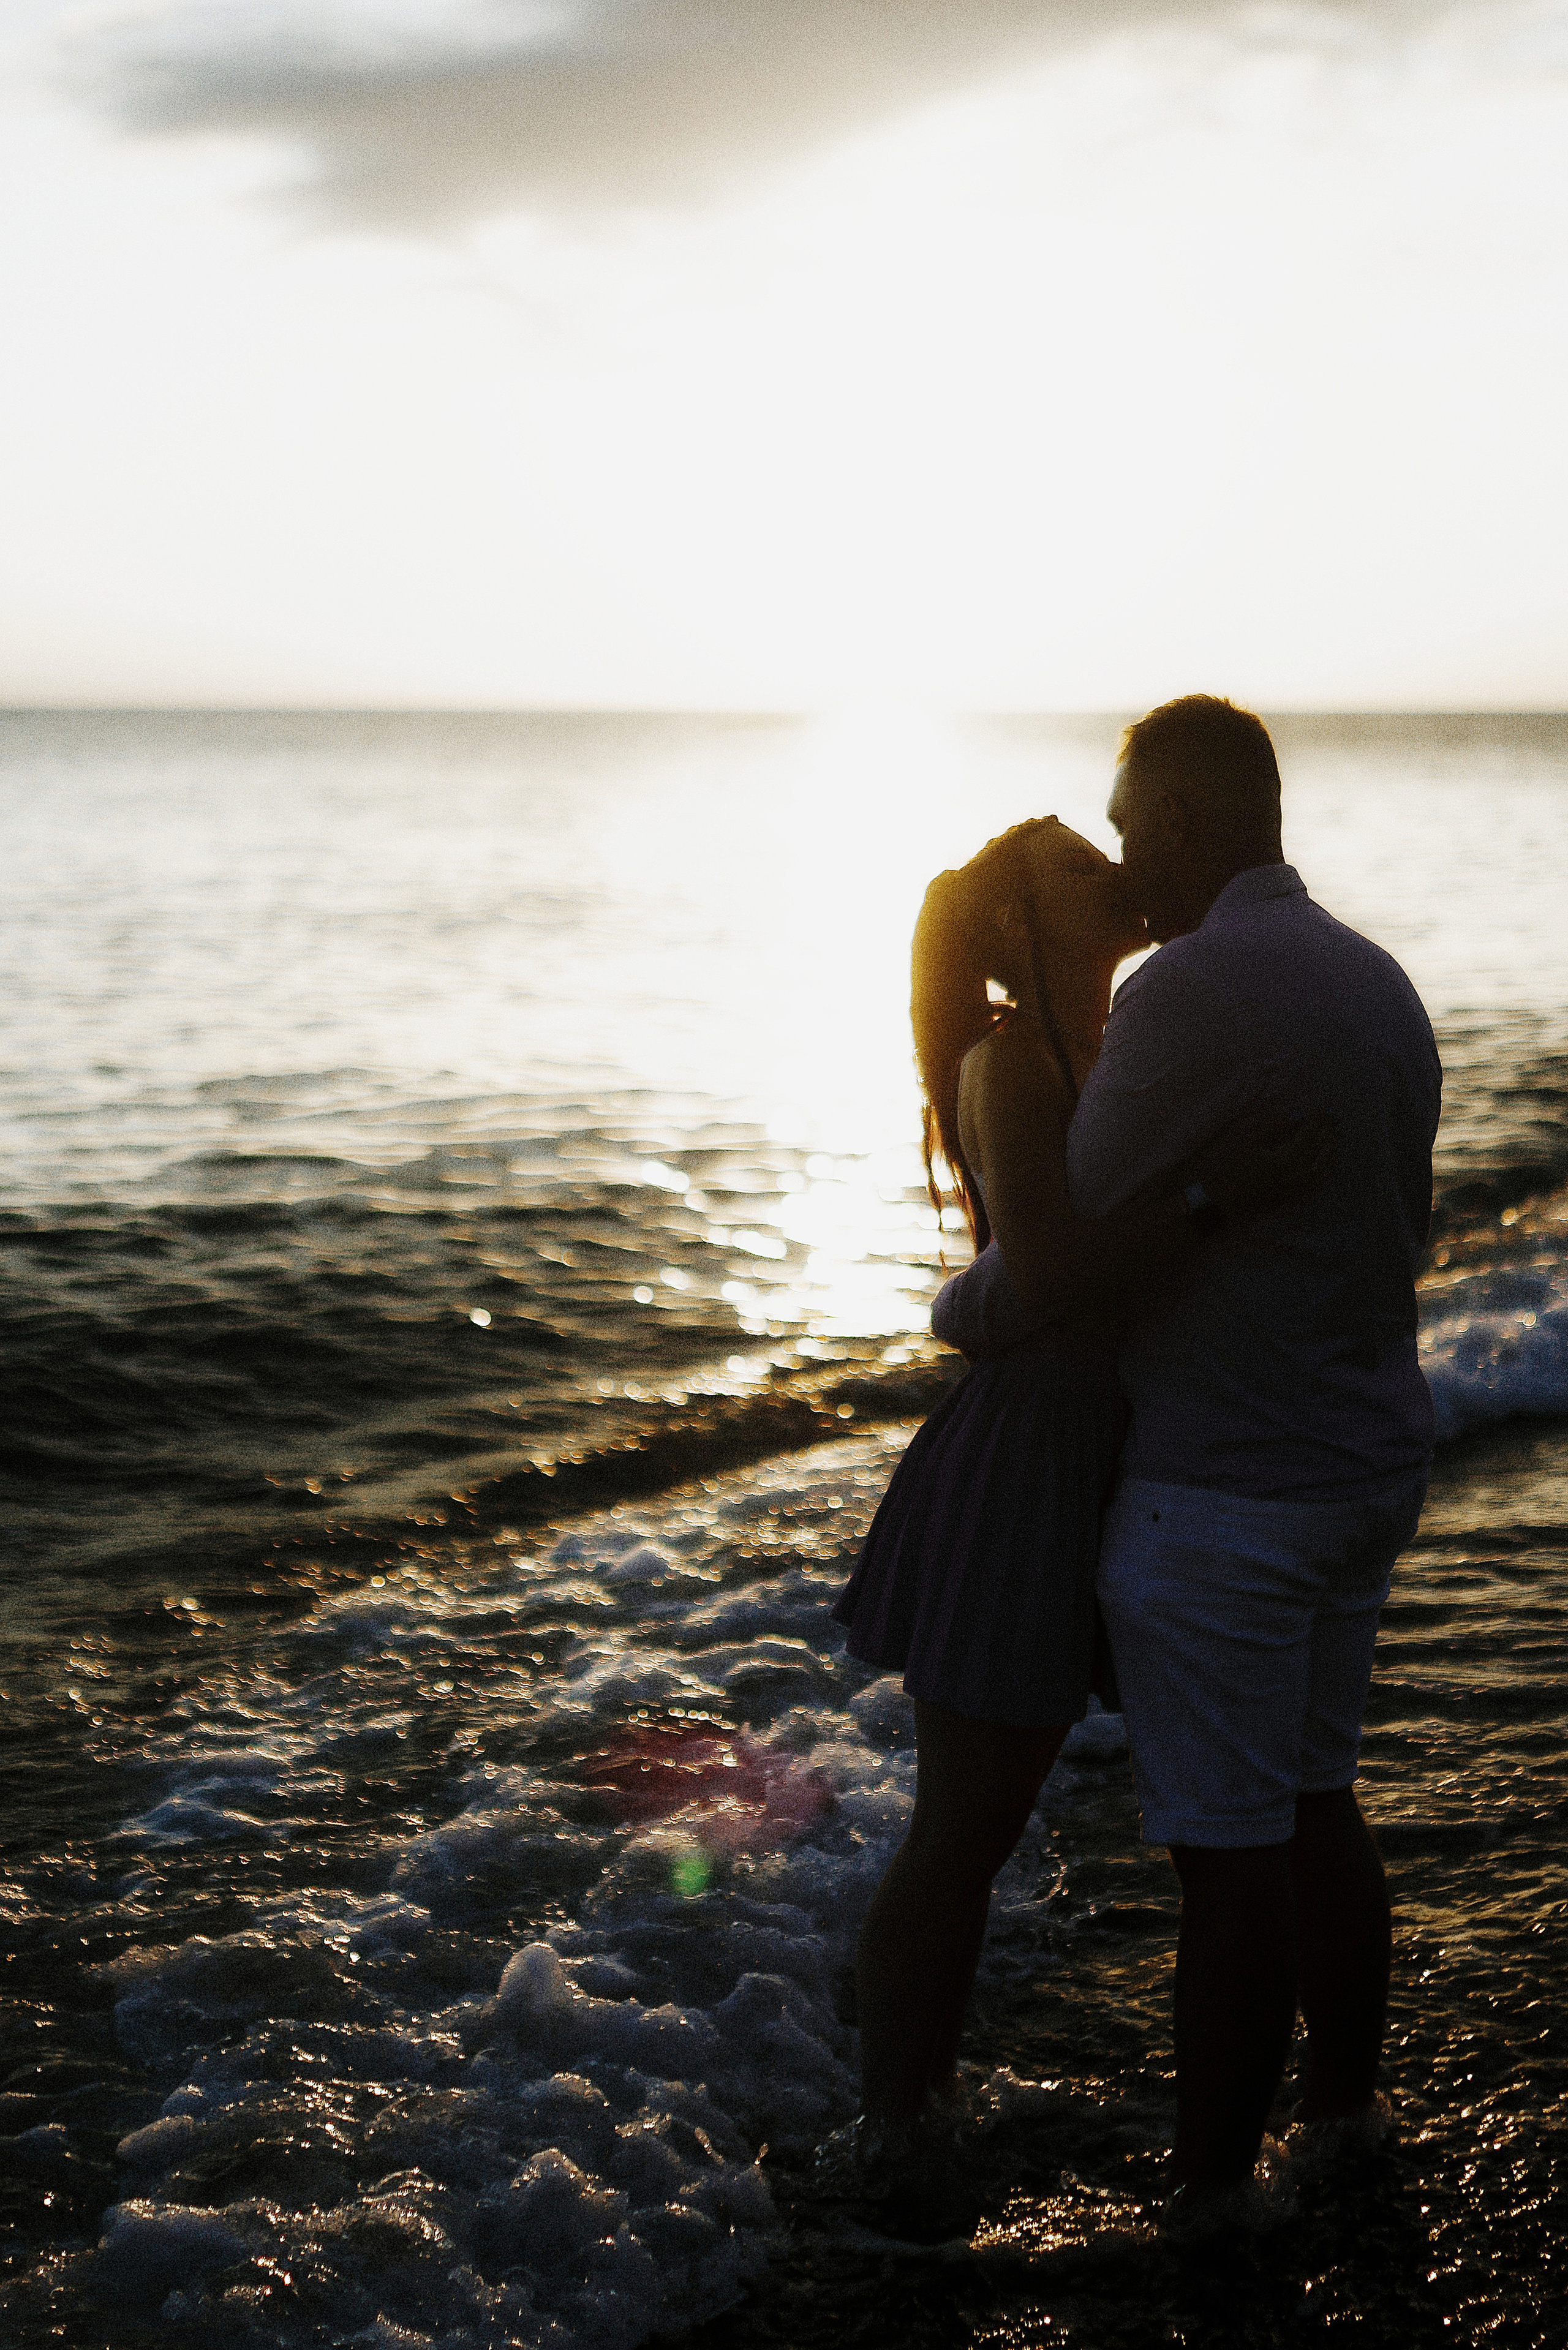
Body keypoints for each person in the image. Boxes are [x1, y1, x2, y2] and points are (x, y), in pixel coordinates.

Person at [935, 696, 1441, 2232]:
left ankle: (1214, 2199)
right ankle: (1342, 2124)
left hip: (1226, 1498)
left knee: (1224, 1864)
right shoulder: (1377, 980)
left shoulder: (1185, 991)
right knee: (1316, 1806)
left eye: (1131, 817)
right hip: (1365, 1464)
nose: (1121, 846)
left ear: (1183, 821)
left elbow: (1055, 1258)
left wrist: (952, 1308)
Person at [829, 811, 1327, 2189]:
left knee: (1016, 1820)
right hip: (1027, 1461)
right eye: (1069, 862)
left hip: (1114, 1450)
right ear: (1009, 923)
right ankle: (889, 2125)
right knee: (963, 1829)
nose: (1110, 871)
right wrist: (1226, 1193)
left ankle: (924, 2090)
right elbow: (1044, 1272)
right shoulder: (1015, 1063)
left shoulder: (1118, 1052)